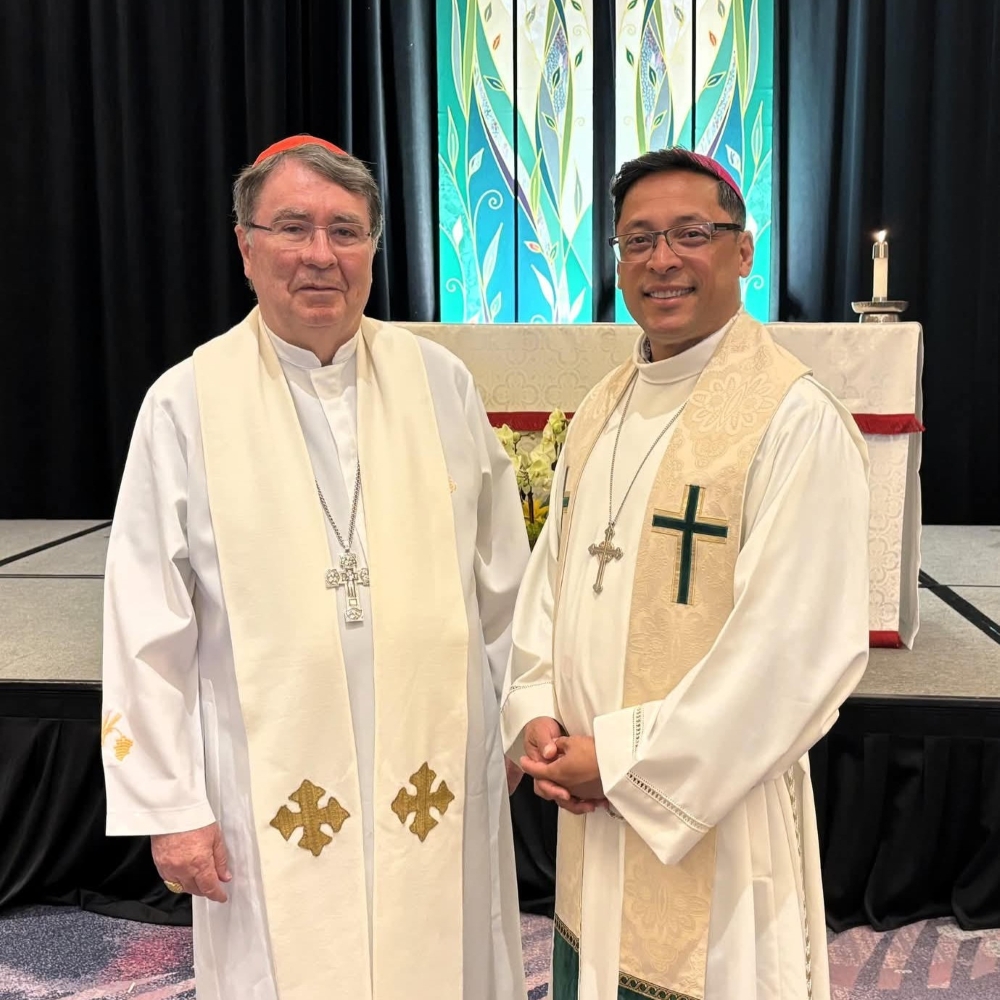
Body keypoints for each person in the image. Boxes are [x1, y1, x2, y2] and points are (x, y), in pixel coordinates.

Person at [101, 134, 530, 1000]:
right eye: (293, 228)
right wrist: (170, 805)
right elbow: (144, 615)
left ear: (374, 246)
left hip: (433, 767)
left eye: (347, 230)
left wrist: (516, 715)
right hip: (271, 785)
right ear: (245, 245)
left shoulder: (439, 383)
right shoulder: (186, 403)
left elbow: (505, 583)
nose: (321, 256)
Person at [501, 147, 870, 1000]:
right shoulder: (602, 407)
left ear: (743, 251)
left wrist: (625, 760)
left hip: (716, 813)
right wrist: (538, 716)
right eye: (639, 240)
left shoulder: (793, 418)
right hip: (592, 805)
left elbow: (795, 652)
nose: (662, 259)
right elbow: (549, 583)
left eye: (691, 234)